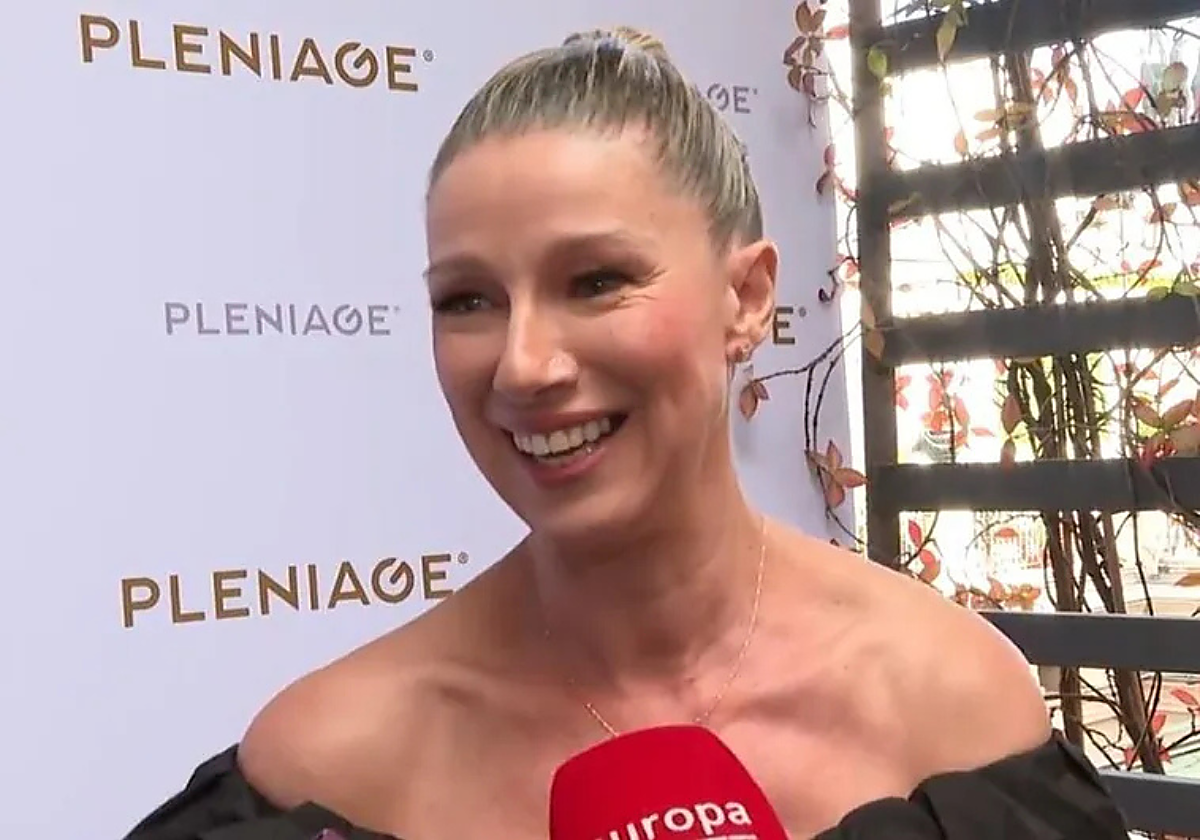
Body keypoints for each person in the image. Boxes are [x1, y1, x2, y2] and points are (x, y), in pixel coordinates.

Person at [125, 26, 1130, 840]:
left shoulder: (951, 709)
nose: (522, 365)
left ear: (748, 299)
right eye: (468, 300)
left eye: (596, 281)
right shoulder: (327, 766)